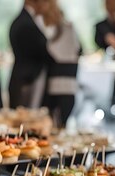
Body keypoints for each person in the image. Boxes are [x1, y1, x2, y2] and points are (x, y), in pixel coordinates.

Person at [41, 0, 81, 128]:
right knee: (62, 127)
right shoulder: (70, 28)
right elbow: (79, 50)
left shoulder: (48, 31)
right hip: (70, 86)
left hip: (53, 86)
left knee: (53, 128)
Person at [9, 0, 52, 109]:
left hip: (22, 77)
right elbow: (40, 50)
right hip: (28, 79)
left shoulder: (21, 21)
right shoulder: (26, 23)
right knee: (26, 119)